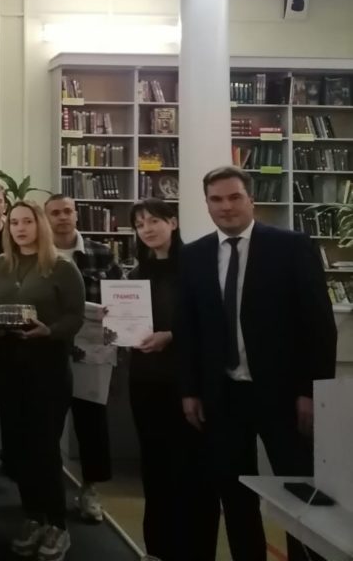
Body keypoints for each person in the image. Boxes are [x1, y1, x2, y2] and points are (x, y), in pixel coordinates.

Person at [178, 166, 336, 561]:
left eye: (234, 197)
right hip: (223, 395)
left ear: (252, 200)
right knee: (235, 493)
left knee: (299, 491)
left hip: (284, 396)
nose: (226, 207)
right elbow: (189, 328)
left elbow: (319, 325)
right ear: (207, 204)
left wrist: (311, 391)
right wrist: (190, 390)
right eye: (216, 199)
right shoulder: (194, 255)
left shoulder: (291, 246)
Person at [0, 200, 85, 561]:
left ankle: (57, 524)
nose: (20, 228)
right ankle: (33, 516)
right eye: (14, 222)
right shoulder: (0, 265)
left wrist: (50, 330)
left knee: (44, 448)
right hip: (8, 365)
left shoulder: (62, 267)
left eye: (27, 221)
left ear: (39, 224)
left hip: (48, 367)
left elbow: (75, 317)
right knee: (18, 447)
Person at [128, 199, 218, 561]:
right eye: (139, 225)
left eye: (154, 221)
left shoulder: (196, 268)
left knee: (193, 470)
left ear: (173, 222)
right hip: (145, 382)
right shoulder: (135, 275)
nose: (147, 229)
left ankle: (195, 552)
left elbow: (211, 322)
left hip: (186, 384)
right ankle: (158, 549)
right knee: (155, 469)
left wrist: (171, 336)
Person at [44, 193, 122, 523]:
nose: (62, 217)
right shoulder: (39, 255)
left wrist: (118, 324)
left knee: (92, 424)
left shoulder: (100, 253)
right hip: (49, 351)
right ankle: (46, 492)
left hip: (93, 352)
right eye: (55, 213)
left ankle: (90, 490)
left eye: (67, 211)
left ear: (76, 215)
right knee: (48, 424)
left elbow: (120, 298)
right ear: (46, 219)